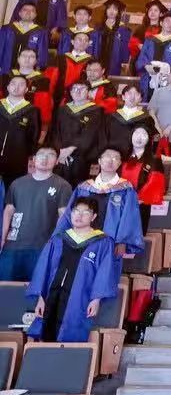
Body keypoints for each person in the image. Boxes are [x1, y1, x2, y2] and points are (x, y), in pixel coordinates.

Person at [26, 199, 119, 343]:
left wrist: (96, 299)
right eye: (76, 211)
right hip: (53, 296)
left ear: (93, 217)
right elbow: (44, 270)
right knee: (46, 331)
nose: (79, 215)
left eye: (85, 212)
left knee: (71, 333)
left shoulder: (102, 242)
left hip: (80, 297)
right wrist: (41, 298)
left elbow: (104, 272)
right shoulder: (58, 239)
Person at [1, 145, 71, 282]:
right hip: (12, 246)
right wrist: (3, 239)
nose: (45, 158)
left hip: (42, 247)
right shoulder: (17, 183)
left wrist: (55, 244)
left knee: (35, 288)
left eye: (51, 155)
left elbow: (63, 216)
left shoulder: (63, 186)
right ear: (33, 159)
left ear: (57, 161)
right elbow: (8, 211)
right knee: (5, 287)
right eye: (41, 154)